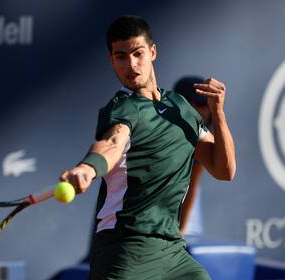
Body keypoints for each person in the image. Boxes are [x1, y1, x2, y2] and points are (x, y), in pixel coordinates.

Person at [60, 15, 236, 280]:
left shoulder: (181, 107)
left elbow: (225, 170)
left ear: (152, 52)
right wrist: (88, 168)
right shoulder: (123, 108)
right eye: (120, 56)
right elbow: (112, 143)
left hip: (172, 252)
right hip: (125, 250)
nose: (130, 64)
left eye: (137, 53)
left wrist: (218, 113)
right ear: (111, 60)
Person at [174, 76, 211, 237]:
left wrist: (181, 231)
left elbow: (192, 186)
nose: (200, 111)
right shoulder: (158, 129)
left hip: (181, 219)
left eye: (203, 104)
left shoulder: (202, 137)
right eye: (193, 104)